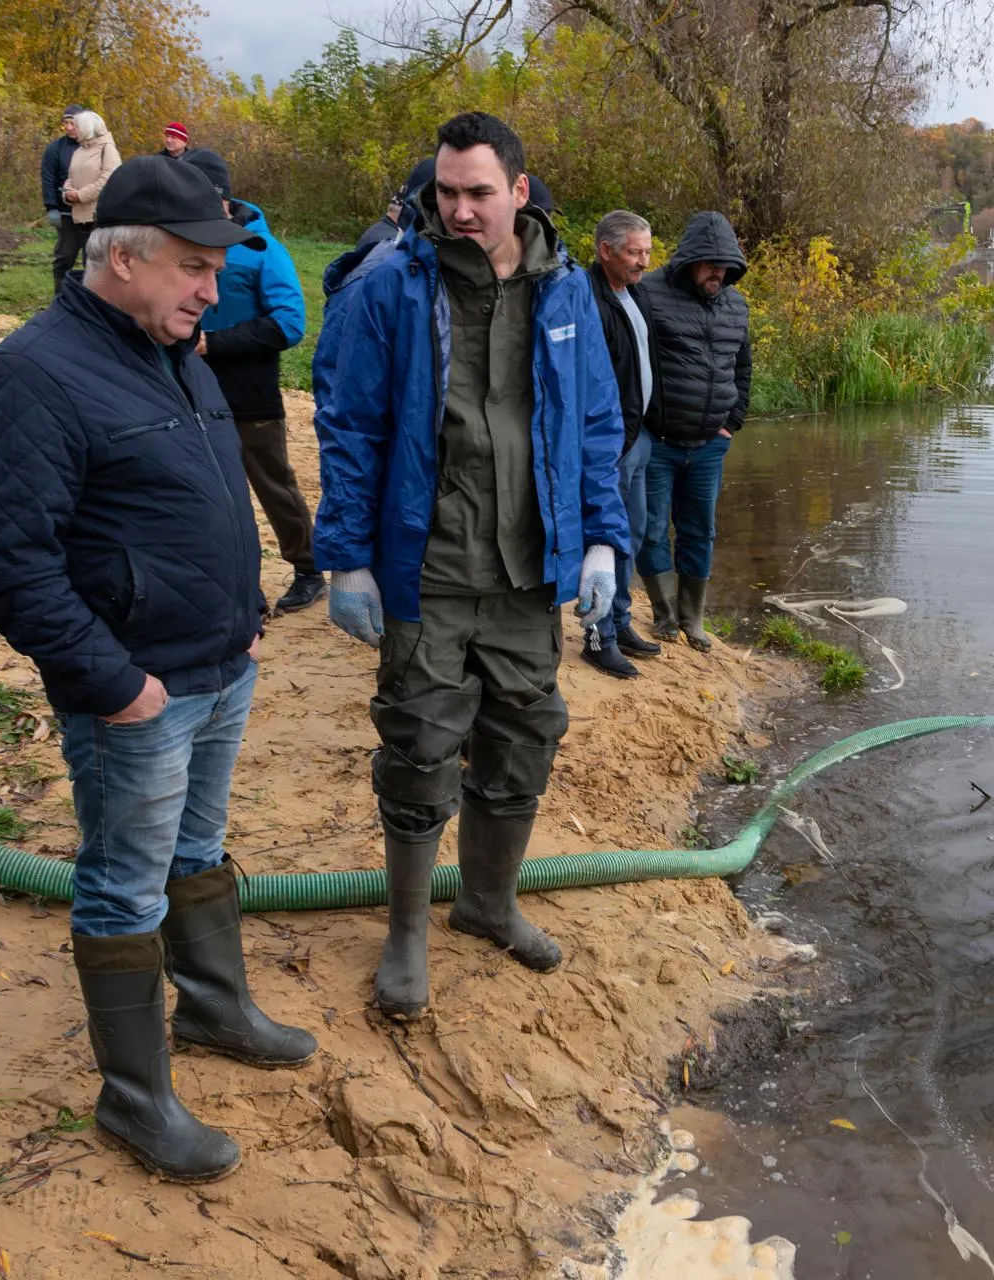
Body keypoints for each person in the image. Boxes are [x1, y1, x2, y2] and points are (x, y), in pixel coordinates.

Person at [0, 155, 317, 1185]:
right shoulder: (31, 374)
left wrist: (245, 615)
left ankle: (213, 1009)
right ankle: (134, 1099)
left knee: (198, 849)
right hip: (137, 694)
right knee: (123, 887)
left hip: (220, 665)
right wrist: (114, 684)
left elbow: (202, 496)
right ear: (122, 257)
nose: (212, 288)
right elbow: (11, 569)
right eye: (193, 266)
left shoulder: (177, 349)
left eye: (217, 267)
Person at [314, 111, 628, 1019]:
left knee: (523, 740)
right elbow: (348, 427)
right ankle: (407, 934)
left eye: (479, 192)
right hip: (430, 570)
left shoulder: (567, 292)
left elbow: (596, 425)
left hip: (530, 574)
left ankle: (488, 903)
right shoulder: (388, 288)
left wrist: (602, 539)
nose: (459, 209)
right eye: (446, 192)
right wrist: (347, 559)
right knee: (419, 747)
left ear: (518, 192)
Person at [186, 151, 323, 614]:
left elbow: (290, 323)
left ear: (223, 199)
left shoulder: (263, 248)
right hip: (189, 390)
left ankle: (309, 570)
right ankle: (234, 579)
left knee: (272, 483)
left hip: (250, 393)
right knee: (208, 488)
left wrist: (213, 343)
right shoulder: (177, 241)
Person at [636, 212, 750, 650]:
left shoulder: (736, 306)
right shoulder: (648, 294)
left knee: (700, 531)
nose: (718, 274)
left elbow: (743, 369)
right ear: (689, 261)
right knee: (651, 531)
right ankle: (665, 616)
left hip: (708, 446)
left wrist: (732, 420)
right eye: (711, 265)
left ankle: (693, 618)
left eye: (726, 267)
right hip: (656, 441)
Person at [579, 210, 662, 678]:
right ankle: (598, 638)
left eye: (647, 251)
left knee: (632, 535)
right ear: (605, 250)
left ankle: (621, 622)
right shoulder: (587, 298)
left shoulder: (635, 293)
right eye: (634, 252)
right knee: (605, 540)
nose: (643, 261)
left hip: (639, 434)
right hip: (608, 442)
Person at [59, 111, 120, 288]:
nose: (73, 129)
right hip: (78, 215)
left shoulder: (107, 148)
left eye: (77, 126)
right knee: (66, 259)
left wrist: (81, 195)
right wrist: (67, 192)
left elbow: (108, 179)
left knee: (95, 264)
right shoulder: (79, 151)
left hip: (99, 216)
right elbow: (71, 177)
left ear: (86, 128)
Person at [41, 105, 83, 292]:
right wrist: (51, 207)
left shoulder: (94, 147)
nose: (69, 128)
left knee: (93, 260)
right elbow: (48, 178)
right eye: (66, 123)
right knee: (65, 256)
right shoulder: (55, 149)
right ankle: (60, 297)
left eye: (72, 123)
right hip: (66, 214)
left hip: (91, 213)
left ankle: (89, 299)